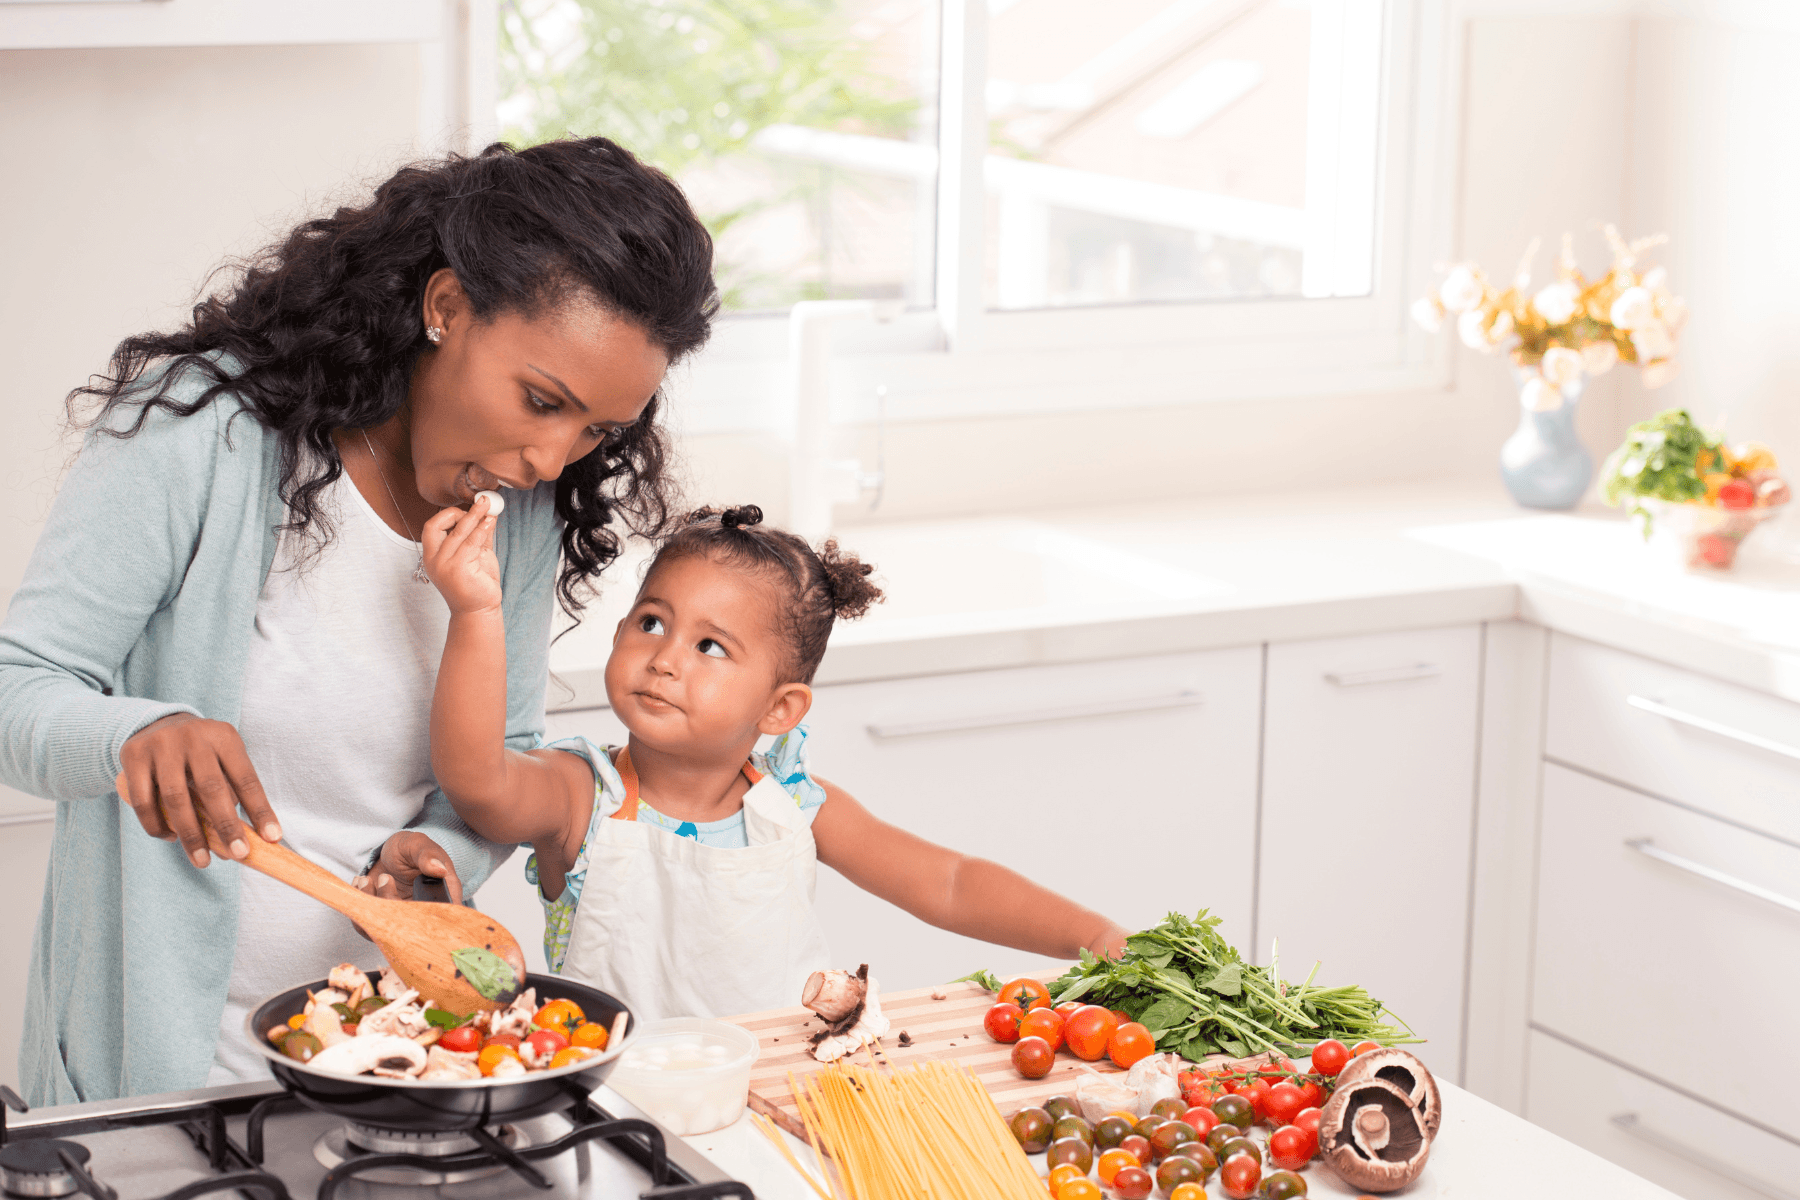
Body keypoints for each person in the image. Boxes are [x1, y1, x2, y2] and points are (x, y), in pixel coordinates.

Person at [0, 137, 718, 1103]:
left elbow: (496, 755)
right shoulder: (203, 431)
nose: (553, 457)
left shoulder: (520, 509)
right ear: (446, 307)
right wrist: (136, 733)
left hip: (384, 1063)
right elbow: (17, 685)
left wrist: (442, 855)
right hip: (163, 1079)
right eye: (541, 400)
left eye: (596, 429)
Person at [423, 502, 1129, 1021]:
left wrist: (1091, 936)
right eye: (652, 622)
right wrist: (476, 615)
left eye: (710, 647)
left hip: (791, 1100)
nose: (666, 657)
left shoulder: (795, 806)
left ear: (780, 710)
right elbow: (479, 782)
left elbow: (949, 883)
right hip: (625, 1111)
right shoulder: (580, 794)